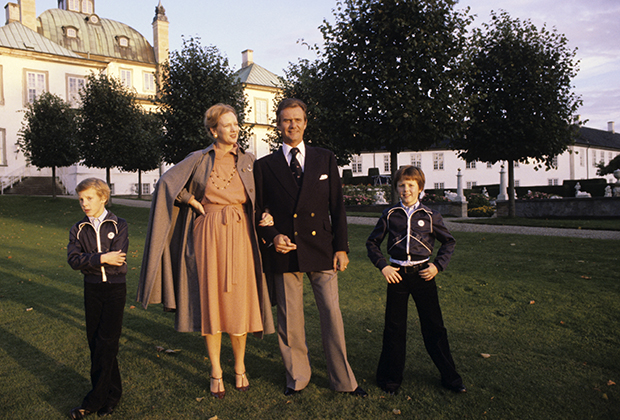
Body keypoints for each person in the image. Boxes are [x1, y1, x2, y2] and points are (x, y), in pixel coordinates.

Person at [137, 104, 274, 399]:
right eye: (227, 125)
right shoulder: (198, 159)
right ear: (213, 131)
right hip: (208, 235)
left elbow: (261, 197)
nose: (235, 129)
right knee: (212, 305)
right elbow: (166, 182)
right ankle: (215, 371)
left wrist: (267, 214)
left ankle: (239, 367)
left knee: (239, 306)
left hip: (241, 235)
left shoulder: (249, 160)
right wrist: (189, 199)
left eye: (236, 124)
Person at [254, 98, 367, 397]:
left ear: (306, 123)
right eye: (286, 120)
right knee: (290, 318)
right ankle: (298, 378)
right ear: (277, 125)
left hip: (322, 248)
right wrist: (273, 236)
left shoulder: (325, 158)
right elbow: (258, 210)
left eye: (297, 120)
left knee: (331, 313)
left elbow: (337, 207)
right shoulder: (264, 166)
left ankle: (344, 381)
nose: (292, 125)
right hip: (285, 250)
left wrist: (341, 247)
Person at [366, 165, 465, 395]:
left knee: (434, 328)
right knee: (394, 329)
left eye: (411, 185)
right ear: (396, 188)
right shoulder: (390, 215)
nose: (406, 189)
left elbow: (449, 242)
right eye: (401, 185)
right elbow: (372, 243)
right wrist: (383, 266)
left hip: (423, 275)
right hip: (397, 276)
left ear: (420, 188)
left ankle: (451, 378)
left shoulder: (431, 216)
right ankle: (390, 380)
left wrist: (437, 266)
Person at [67, 178, 128, 419]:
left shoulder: (119, 224)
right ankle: (113, 394)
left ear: (103, 198)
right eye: (81, 199)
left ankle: (93, 400)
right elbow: (73, 260)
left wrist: (90, 258)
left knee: (107, 342)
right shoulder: (78, 229)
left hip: (115, 289)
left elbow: (119, 258)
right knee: (96, 342)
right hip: (91, 289)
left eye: (89, 198)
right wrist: (102, 258)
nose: (84, 203)